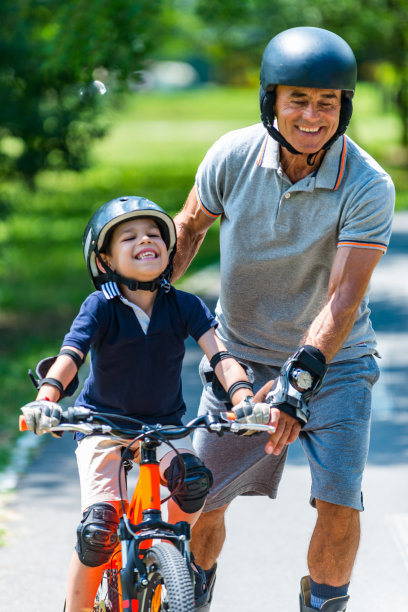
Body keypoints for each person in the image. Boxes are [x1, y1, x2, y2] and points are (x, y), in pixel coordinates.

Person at [173, 26, 395, 612]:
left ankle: (324, 604)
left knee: (340, 501)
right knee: (199, 500)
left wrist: (301, 379)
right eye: (298, 99)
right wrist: (143, 299)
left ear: (344, 108)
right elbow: (189, 226)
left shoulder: (368, 184)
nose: (313, 115)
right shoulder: (232, 155)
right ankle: (188, 594)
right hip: (238, 361)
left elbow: (345, 297)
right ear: (271, 100)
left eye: (329, 102)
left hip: (336, 362)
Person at [21, 196, 268, 612]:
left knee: (193, 483)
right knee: (99, 530)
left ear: (169, 250)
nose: (145, 241)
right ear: (104, 260)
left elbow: (220, 356)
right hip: (102, 426)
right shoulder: (101, 306)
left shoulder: (184, 305)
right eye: (129, 237)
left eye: (154, 234)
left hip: (162, 426)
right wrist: (46, 398)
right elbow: (71, 356)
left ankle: (164, 553)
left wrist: (243, 398)